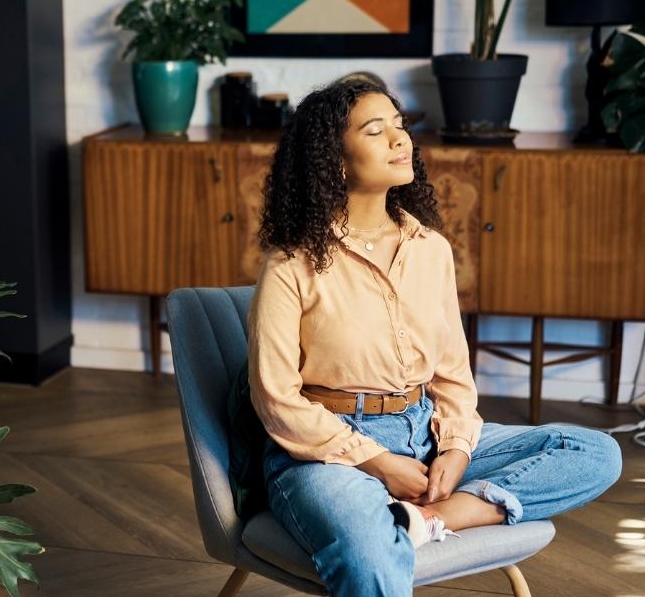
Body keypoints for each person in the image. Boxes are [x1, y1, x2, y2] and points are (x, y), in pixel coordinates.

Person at [247, 79, 623, 596]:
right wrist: (379, 463)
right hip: (326, 451)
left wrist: (456, 451)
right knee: (367, 548)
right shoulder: (291, 263)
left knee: (594, 451)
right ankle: (397, 519)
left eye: (399, 126)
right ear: (335, 160)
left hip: (425, 434)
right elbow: (275, 398)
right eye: (375, 131)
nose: (400, 139)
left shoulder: (431, 249)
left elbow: (452, 376)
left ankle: (429, 519)